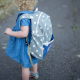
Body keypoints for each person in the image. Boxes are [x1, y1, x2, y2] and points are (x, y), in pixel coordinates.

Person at [4, 0, 39, 80]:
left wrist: (10, 32)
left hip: (26, 44)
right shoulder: (34, 10)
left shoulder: (24, 17)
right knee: (34, 58)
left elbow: (24, 33)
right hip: (34, 41)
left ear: (18, 3)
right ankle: (35, 73)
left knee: (25, 65)